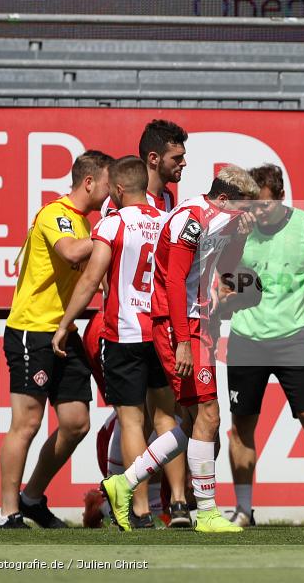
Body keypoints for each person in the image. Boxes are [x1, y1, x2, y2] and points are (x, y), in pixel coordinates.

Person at [52, 156, 189, 530]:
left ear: (117, 189)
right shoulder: (167, 224)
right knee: (167, 419)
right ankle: (178, 503)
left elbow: (91, 277)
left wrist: (65, 324)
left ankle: (140, 510)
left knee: (132, 421)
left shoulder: (112, 224)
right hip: (160, 332)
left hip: (123, 333)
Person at [134, 164, 258, 533]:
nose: (246, 214)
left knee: (194, 423)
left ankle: (124, 482)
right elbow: (173, 281)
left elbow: (228, 268)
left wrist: (240, 238)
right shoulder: (191, 218)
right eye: (242, 206)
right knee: (208, 418)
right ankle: (204, 511)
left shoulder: (224, 221)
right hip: (179, 325)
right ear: (222, 199)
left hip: (200, 323)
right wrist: (183, 341)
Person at [225, 164, 304, 528]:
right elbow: (219, 273)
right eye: (252, 206)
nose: (257, 212)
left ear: (280, 198)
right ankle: (244, 510)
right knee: (242, 424)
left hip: (293, 340)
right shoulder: (238, 228)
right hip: (246, 339)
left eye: (263, 205)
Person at [0, 150, 114, 529]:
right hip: (33, 330)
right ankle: (7, 513)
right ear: (89, 183)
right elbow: (69, 253)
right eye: (108, 182)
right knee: (27, 423)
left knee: (76, 422)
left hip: (63, 332)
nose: (113, 191)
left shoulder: (84, 223)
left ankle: (31, 498)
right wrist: (110, 230)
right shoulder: (57, 215)